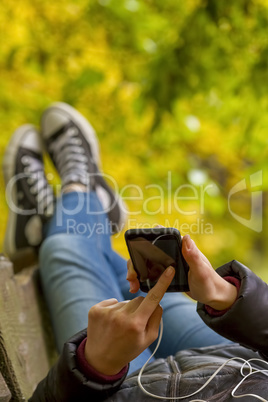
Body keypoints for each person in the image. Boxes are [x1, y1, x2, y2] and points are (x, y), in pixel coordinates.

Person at [3, 102, 268, 401]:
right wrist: (229, 298)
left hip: (137, 392)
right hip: (245, 358)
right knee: (138, 278)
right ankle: (70, 205)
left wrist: (93, 367)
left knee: (68, 250)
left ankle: (77, 194)